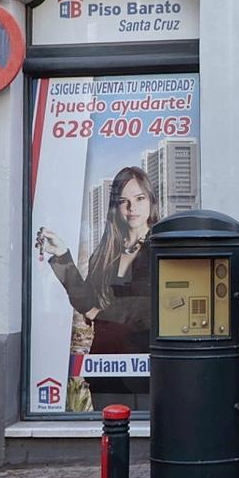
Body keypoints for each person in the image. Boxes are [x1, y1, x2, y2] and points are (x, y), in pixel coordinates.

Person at [36, 166, 159, 411]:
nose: (131, 208)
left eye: (139, 199)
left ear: (151, 201)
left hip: (148, 370)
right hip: (106, 370)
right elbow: (87, 300)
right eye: (123, 201)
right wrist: (62, 255)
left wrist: (99, 315)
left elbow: (150, 308)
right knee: (110, 440)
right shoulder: (105, 252)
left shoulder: (164, 249)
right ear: (115, 208)